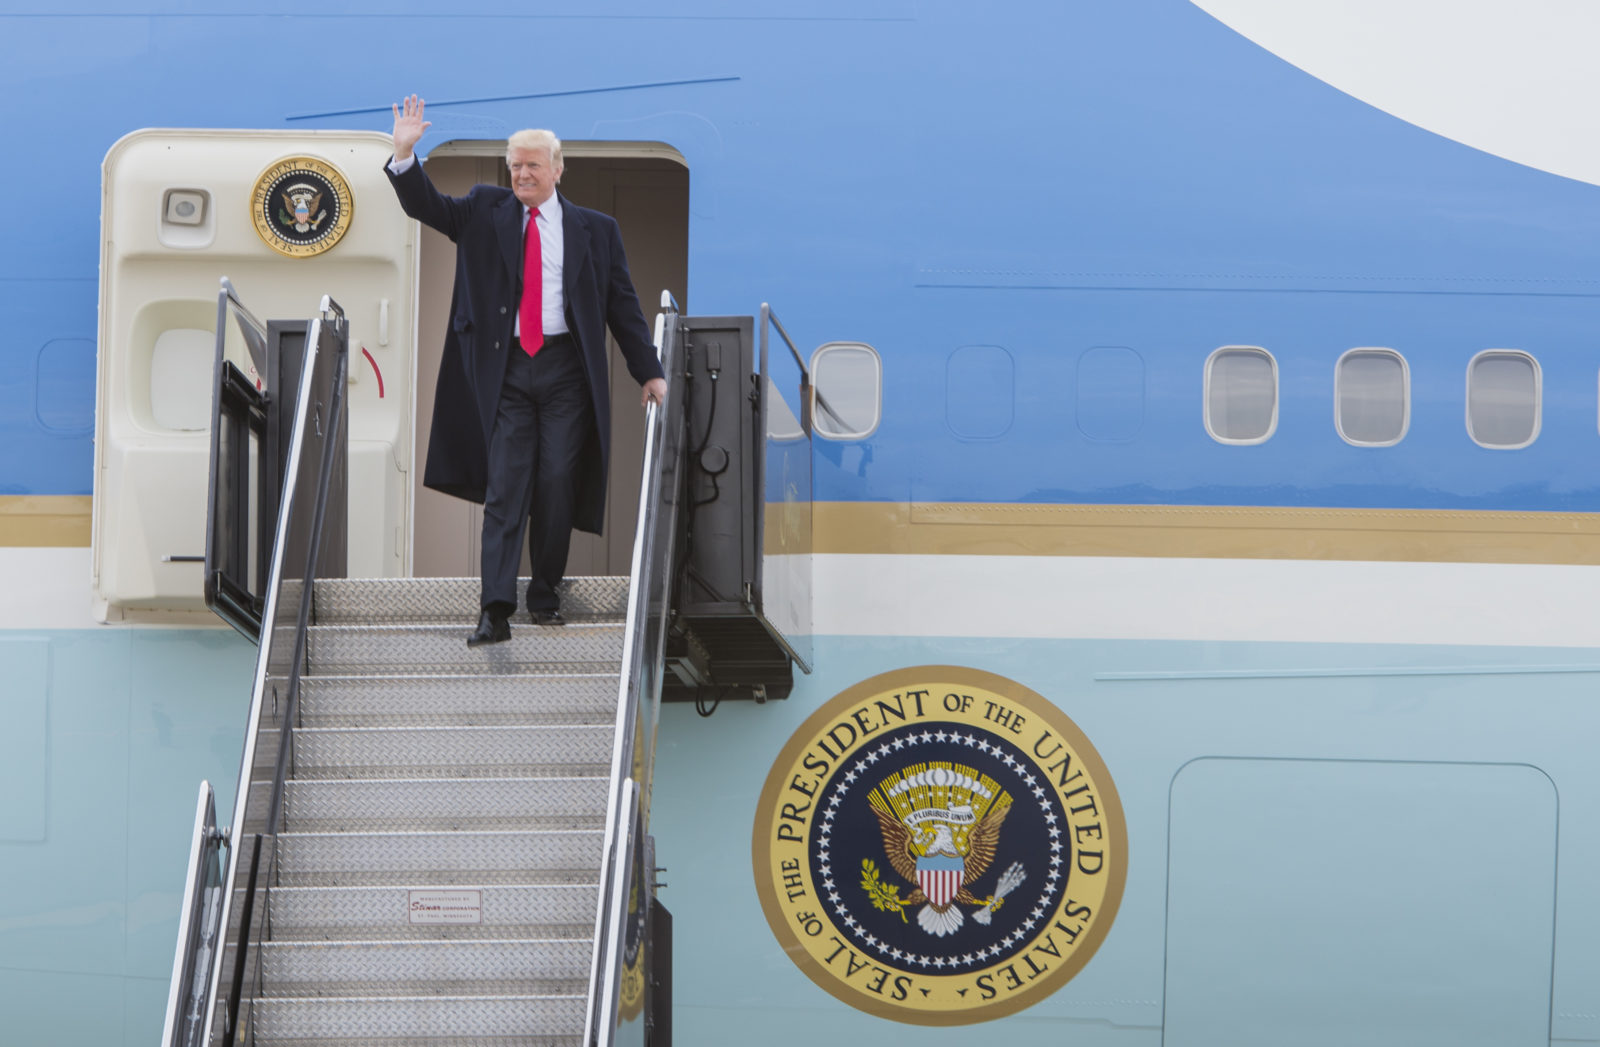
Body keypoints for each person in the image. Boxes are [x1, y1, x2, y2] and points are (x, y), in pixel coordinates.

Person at [386, 95, 667, 646]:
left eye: (532, 165)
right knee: (507, 486)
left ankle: (545, 595)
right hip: (506, 370)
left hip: (567, 370)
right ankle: (495, 609)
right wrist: (404, 157)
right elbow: (430, 208)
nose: (521, 174)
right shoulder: (483, 209)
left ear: (557, 170)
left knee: (558, 483)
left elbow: (622, 306)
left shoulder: (597, 230)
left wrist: (649, 371)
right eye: (515, 165)